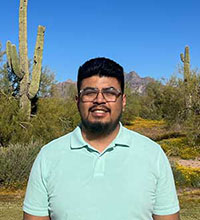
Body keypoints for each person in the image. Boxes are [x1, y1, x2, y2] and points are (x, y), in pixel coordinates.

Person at [23, 57, 180, 220]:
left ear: (123, 101)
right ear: (77, 101)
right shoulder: (48, 156)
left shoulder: (152, 154)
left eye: (110, 93)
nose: (99, 100)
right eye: (89, 93)